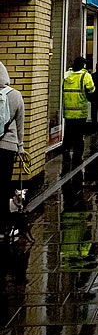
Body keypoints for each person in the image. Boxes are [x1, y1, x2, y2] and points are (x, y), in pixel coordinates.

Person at [0, 62, 25, 239]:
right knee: (4, 185)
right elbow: (20, 124)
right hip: (8, 147)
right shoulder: (16, 96)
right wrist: (20, 146)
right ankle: (4, 225)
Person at [62, 56, 95, 166]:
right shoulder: (85, 76)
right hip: (80, 112)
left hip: (68, 112)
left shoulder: (66, 75)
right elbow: (91, 90)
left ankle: (66, 152)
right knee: (78, 136)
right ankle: (77, 156)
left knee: (68, 134)